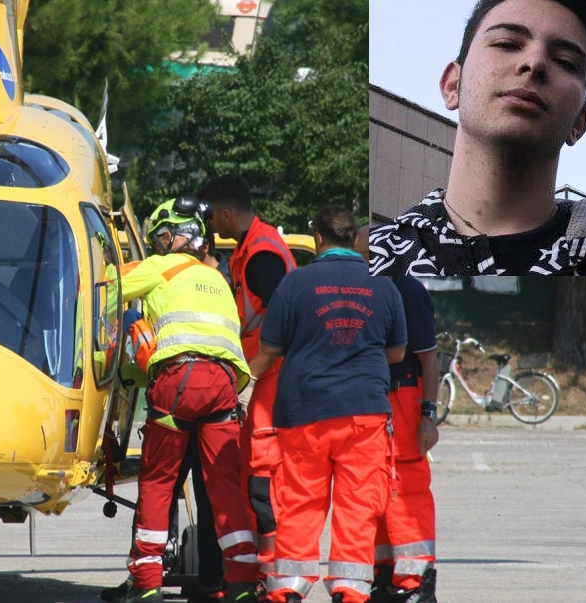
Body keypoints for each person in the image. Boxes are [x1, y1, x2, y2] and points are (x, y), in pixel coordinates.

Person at [368, 0, 586, 276]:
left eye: (566, 61)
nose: (534, 62)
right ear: (452, 84)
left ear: (580, 121)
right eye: (506, 44)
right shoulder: (372, 259)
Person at [248, 206, 407, 603]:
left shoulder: (295, 283)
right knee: (357, 505)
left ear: (318, 238)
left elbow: (269, 350)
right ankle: (350, 591)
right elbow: (398, 351)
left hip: (304, 411)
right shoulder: (385, 285)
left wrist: (244, 383)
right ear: (355, 238)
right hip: (364, 412)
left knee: (299, 501)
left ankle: (288, 587)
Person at [116, 196, 261, 603]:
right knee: (224, 487)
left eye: (161, 238)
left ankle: (146, 584)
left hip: (179, 380)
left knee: (159, 482)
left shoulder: (162, 267)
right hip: (223, 386)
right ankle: (242, 584)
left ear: (177, 237)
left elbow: (105, 285)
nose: (160, 246)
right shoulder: (217, 278)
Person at [197, 174, 298, 590]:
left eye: (212, 217)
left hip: (270, 380)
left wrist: (249, 376)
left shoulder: (260, 256)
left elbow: (283, 320)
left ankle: (269, 576)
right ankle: (257, 572)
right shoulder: (253, 249)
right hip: (267, 378)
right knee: (252, 477)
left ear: (226, 213)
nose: (210, 226)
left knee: (263, 479)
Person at [356, 228, 440, 603]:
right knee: (376, 490)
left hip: (403, 399)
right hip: (374, 398)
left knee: (406, 490)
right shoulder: (369, 290)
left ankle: (416, 582)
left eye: (362, 256)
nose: (358, 263)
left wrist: (428, 414)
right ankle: (385, 577)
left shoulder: (408, 291)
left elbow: (429, 359)